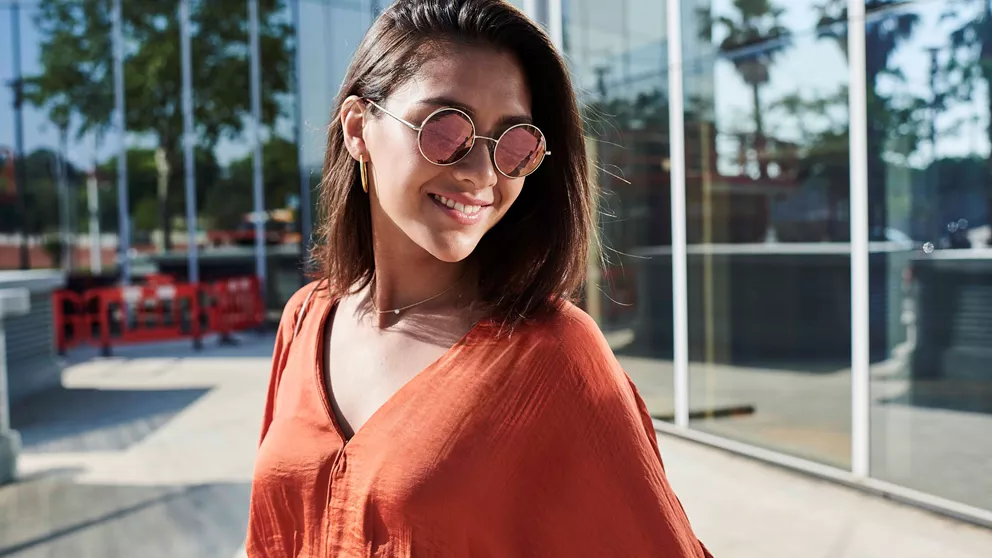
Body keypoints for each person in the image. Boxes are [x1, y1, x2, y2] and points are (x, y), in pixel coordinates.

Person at [246, 0, 712, 556]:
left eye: (515, 143)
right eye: (446, 129)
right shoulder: (306, 318)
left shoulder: (554, 355)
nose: (481, 174)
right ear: (357, 128)